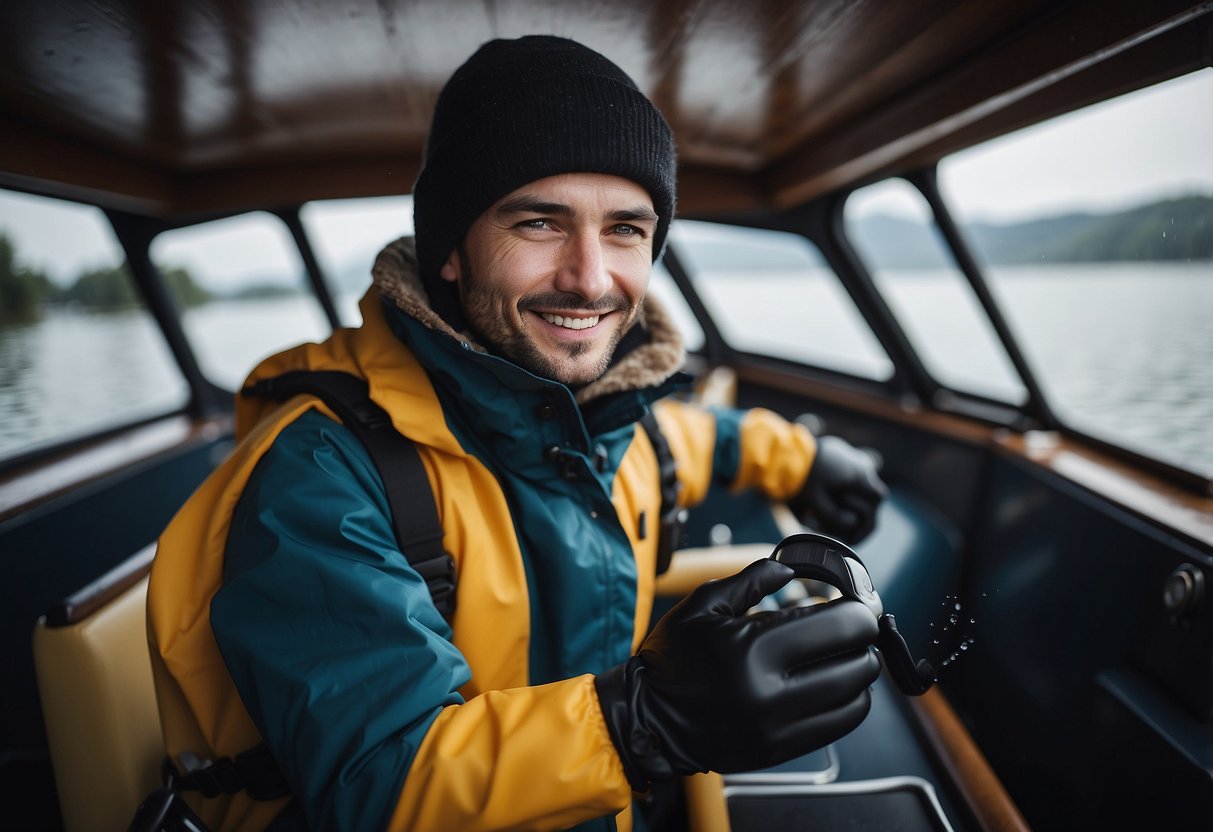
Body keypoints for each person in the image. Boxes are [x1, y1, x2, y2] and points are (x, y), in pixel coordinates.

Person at [148, 35, 888, 832]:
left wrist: (808, 457)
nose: (591, 277)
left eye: (626, 230)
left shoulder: (615, 422)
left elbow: (700, 438)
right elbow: (375, 784)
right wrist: (641, 723)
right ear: (453, 254)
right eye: (539, 223)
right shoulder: (321, 471)